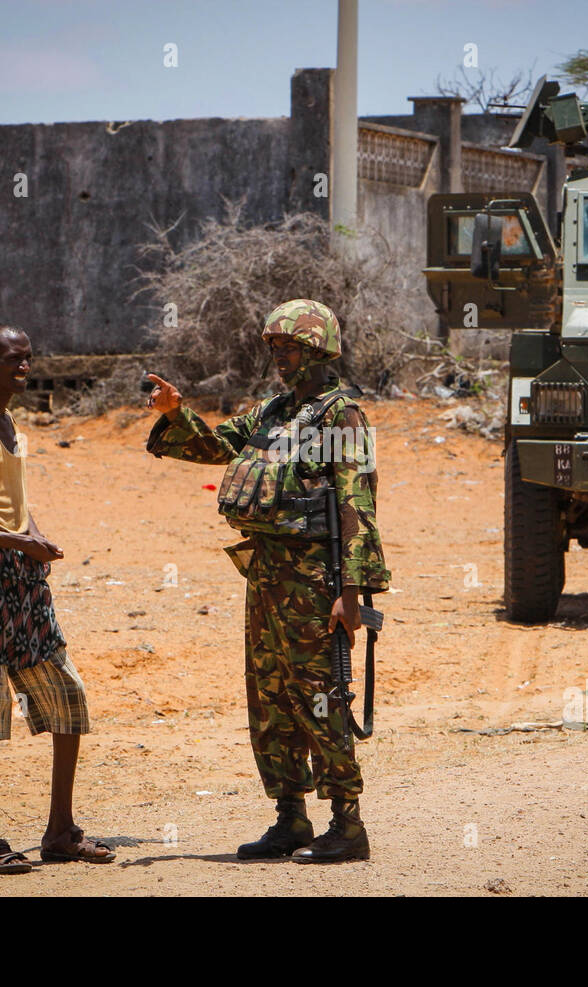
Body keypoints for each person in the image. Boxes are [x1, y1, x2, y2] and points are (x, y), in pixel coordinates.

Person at [144, 299, 390, 864]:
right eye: (275, 346)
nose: (280, 355)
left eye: (291, 346)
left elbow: (357, 503)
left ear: (320, 350)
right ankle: (290, 817)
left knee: (320, 696)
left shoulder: (340, 416)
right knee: (271, 696)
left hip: (316, 579)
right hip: (266, 572)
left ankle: (347, 824)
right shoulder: (273, 412)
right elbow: (215, 448)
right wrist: (175, 413)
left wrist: (350, 595)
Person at [0, 322, 114, 873]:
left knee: (67, 696)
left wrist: (34, 536)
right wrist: (14, 540)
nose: (24, 367)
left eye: (28, 358)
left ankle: (60, 832)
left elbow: (10, 499)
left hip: (22, 578)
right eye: (13, 359)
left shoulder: (11, 423)